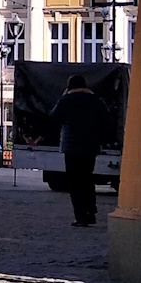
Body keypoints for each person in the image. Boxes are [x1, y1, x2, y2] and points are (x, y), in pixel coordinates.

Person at [48, 74, 111, 226]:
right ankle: (91, 211)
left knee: (75, 182)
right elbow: (106, 120)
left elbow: (53, 118)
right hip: (90, 146)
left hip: (71, 146)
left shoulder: (66, 100)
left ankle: (80, 216)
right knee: (87, 179)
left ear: (69, 87)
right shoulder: (95, 101)